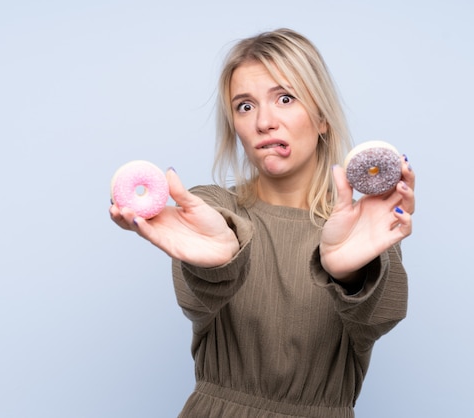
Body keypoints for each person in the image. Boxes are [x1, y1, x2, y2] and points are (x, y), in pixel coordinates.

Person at [110, 28, 415, 418]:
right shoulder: (211, 209)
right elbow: (196, 297)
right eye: (245, 106)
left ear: (321, 117)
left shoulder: (363, 229)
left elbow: (378, 318)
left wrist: (350, 276)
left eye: (285, 99)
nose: (263, 122)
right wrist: (220, 260)